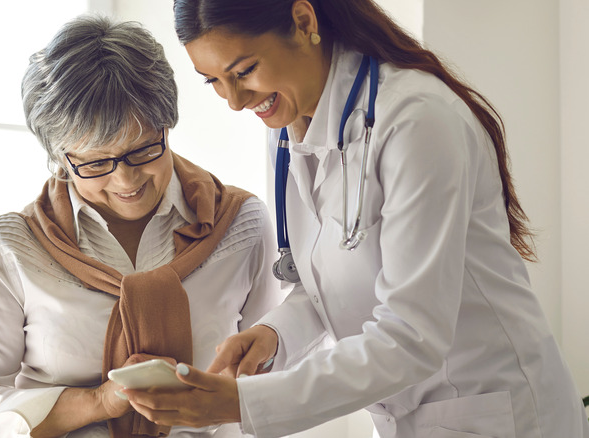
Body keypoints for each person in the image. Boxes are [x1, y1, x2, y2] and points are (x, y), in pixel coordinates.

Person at [121, 1, 589, 437]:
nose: (236, 101)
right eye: (213, 81)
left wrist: (244, 403)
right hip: (412, 417)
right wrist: (273, 335)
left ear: (304, 22)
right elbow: (328, 278)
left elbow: (412, 336)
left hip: (500, 412)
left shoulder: (416, 120)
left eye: (244, 71)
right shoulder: (286, 132)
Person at [0, 13, 285, 438]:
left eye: (142, 151)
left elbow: (278, 378)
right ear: (60, 157)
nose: (126, 181)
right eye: (97, 162)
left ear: (166, 127)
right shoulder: (18, 243)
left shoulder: (241, 224)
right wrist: (97, 402)